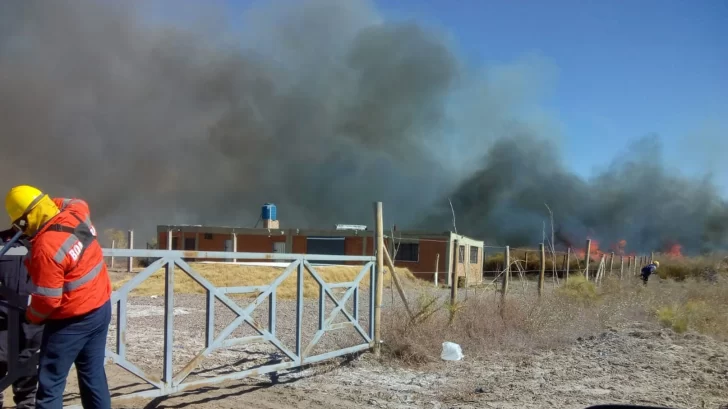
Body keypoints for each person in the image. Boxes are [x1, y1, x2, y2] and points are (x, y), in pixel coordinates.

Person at [4, 185, 112, 409]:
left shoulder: (46, 248)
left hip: (71, 321)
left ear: (25, 220)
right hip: (100, 308)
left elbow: (48, 301)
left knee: (50, 384)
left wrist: (32, 317)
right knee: (93, 375)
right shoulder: (77, 212)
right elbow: (74, 201)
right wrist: (43, 204)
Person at [0, 238, 43, 409]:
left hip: (34, 314)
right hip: (2, 316)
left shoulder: (43, 240)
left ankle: (26, 405)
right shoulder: (3, 241)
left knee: (28, 363)